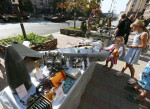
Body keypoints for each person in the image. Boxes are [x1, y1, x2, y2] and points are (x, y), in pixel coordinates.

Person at [115, 20, 150, 84]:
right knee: (127, 62)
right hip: (132, 50)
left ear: (138, 26)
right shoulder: (139, 33)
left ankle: (132, 78)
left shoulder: (144, 34)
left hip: (135, 51)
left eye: (133, 27)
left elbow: (143, 46)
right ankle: (122, 72)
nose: (132, 29)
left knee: (130, 64)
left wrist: (131, 46)